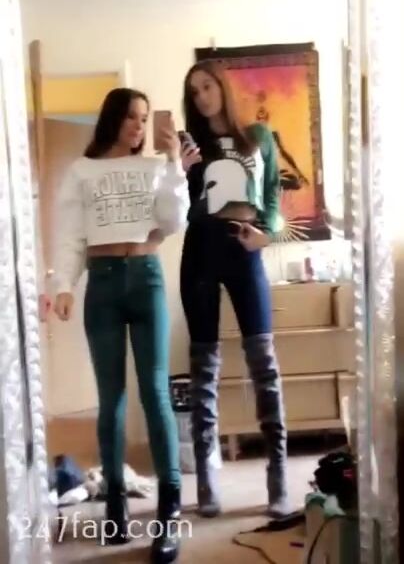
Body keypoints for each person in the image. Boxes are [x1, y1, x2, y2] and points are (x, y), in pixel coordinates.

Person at [52, 88, 189, 563]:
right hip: (104, 282)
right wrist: (63, 285)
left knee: (155, 391)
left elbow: (173, 221)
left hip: (147, 277)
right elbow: (70, 235)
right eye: (132, 117)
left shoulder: (155, 167)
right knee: (111, 398)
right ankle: (114, 502)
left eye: (145, 118)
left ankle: (169, 509)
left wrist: (173, 164)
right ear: (113, 118)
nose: (139, 126)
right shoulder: (82, 171)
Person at [179, 60, 290, 519]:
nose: (202, 96)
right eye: (194, 91)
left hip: (245, 249)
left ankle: (278, 478)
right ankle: (207, 481)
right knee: (204, 370)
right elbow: (179, 208)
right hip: (201, 248)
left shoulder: (258, 137)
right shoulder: (190, 144)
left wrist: (268, 235)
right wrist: (178, 171)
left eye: (207, 86)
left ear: (222, 86)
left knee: (264, 363)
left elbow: (273, 199)